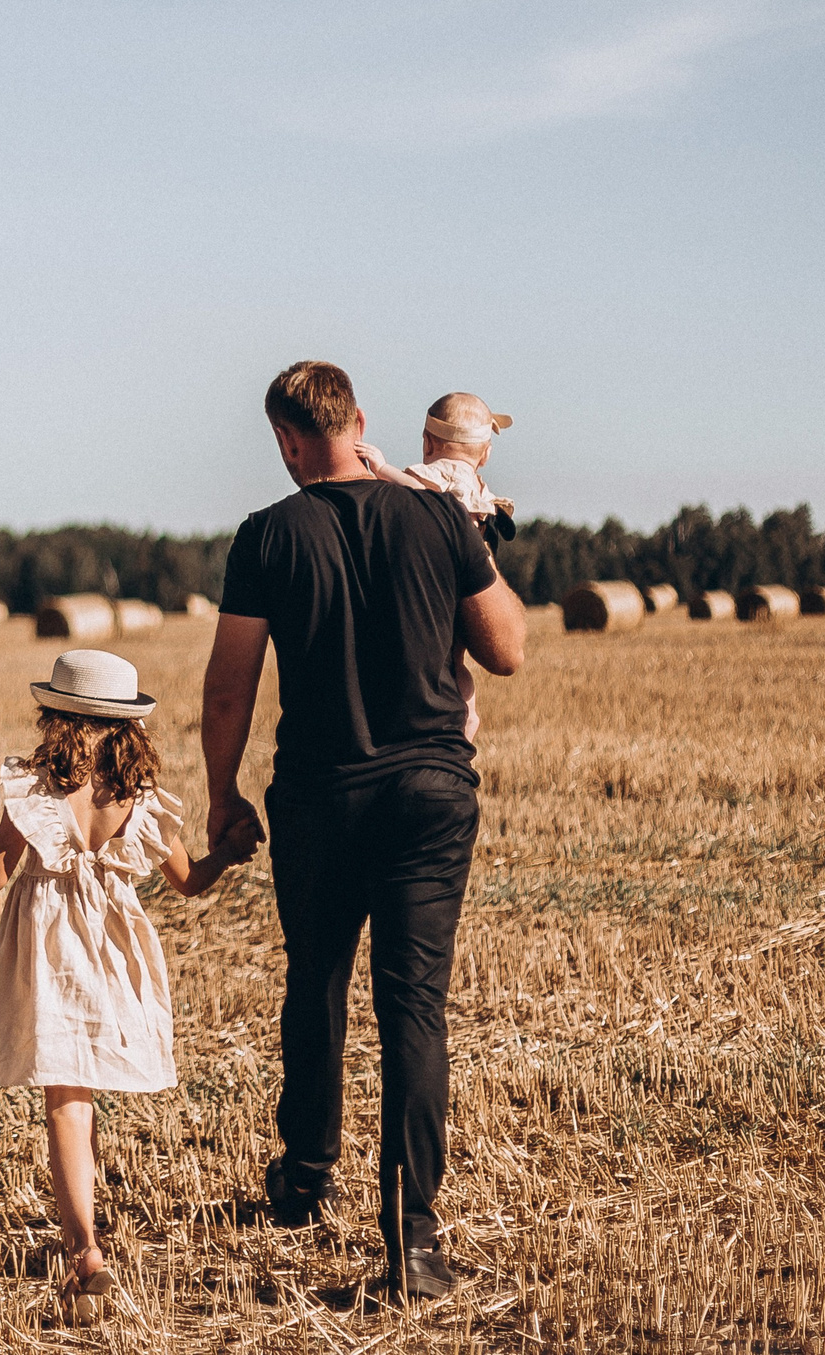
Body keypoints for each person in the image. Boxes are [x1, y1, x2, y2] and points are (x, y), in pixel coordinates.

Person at [201, 362, 526, 1301]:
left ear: (288, 438)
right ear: (361, 421)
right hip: (430, 790)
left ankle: (304, 1176)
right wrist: (468, 533)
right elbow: (506, 648)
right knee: (414, 1008)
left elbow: (230, 684)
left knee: (317, 983)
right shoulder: (435, 518)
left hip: (320, 796)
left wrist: (223, 795)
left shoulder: (268, 534)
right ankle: (412, 1241)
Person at [0, 650, 254, 1324]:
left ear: (56, 718)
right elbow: (189, 881)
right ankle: (85, 1237)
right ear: (128, 726)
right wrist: (228, 852)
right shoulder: (142, 799)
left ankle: (84, 1252)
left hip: (49, 948)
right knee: (81, 1098)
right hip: (114, 948)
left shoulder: (34, 785)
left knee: (67, 1102)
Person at [356, 393, 519, 739]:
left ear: (427, 442)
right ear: (486, 454)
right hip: (472, 589)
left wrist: (381, 470)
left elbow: (420, 495)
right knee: (459, 667)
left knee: (441, 660)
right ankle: (467, 726)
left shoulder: (436, 477)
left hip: (434, 588)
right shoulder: (478, 489)